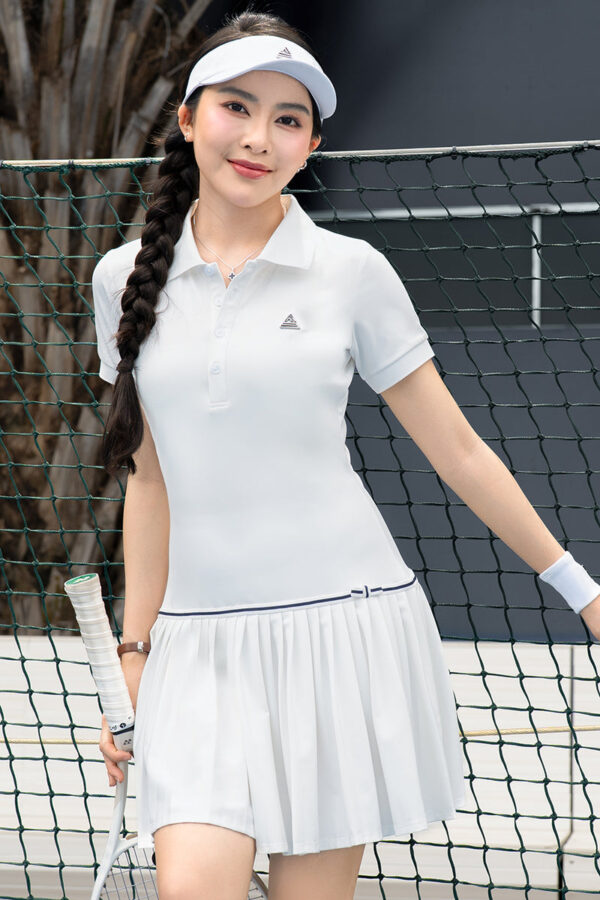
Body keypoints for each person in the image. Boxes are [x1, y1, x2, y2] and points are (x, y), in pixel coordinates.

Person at [92, 7, 600, 900]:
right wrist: (136, 655)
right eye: (237, 107)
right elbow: (150, 480)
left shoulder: (353, 271)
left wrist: (584, 593)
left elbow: (459, 452)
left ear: (312, 144)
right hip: (196, 655)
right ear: (188, 118)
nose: (259, 138)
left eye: (287, 119)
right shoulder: (119, 278)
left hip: (343, 636)